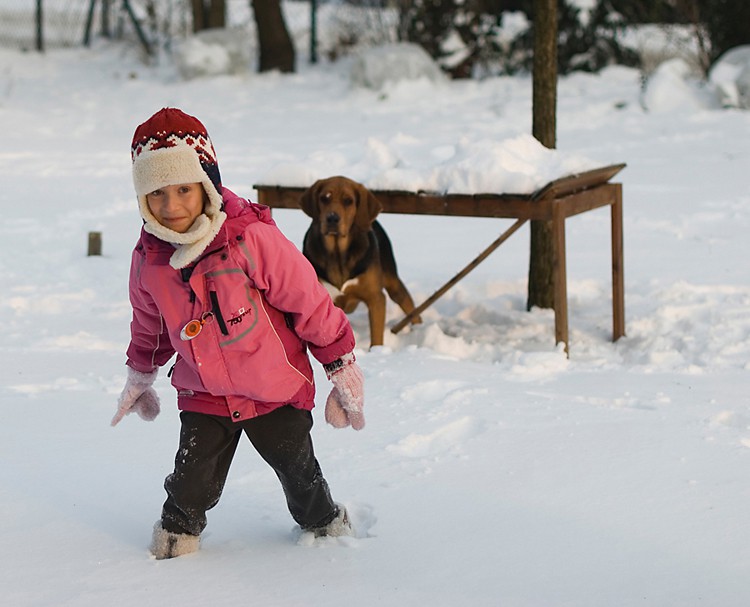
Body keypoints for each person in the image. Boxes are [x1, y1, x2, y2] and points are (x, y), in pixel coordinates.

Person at [111, 107, 365, 560]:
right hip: (204, 391)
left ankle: (324, 522)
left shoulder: (250, 239)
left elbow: (308, 301)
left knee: (297, 467)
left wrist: (339, 364)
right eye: (156, 194)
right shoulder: (149, 259)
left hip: (273, 387)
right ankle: (174, 539)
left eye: (184, 190)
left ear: (206, 183)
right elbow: (149, 325)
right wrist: (140, 373)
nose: (171, 206)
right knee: (191, 477)